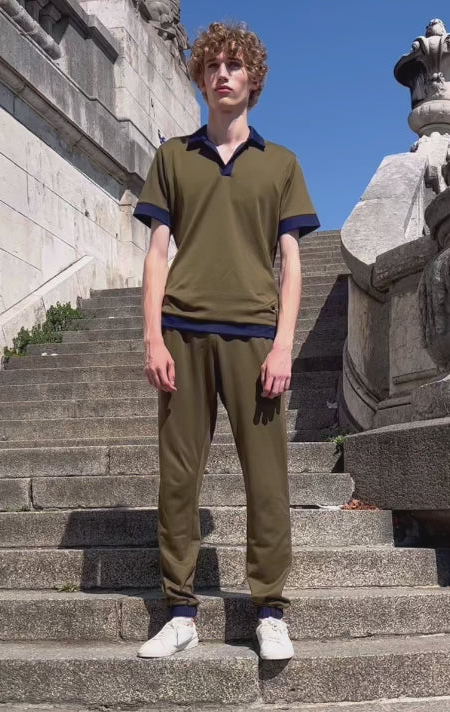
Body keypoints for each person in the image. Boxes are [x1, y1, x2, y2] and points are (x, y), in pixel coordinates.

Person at [133, 21, 319, 660]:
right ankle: (180, 611)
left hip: (255, 337)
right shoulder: (173, 157)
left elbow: (291, 263)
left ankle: (269, 610)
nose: (222, 75)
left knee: (266, 479)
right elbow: (156, 253)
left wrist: (284, 343)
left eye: (234, 65)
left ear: (253, 78)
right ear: (200, 78)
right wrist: (153, 337)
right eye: (212, 65)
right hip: (182, 331)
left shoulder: (282, 164)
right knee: (178, 477)